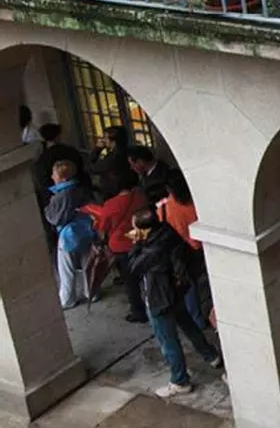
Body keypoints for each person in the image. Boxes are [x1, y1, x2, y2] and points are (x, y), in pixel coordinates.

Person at [127, 209, 222, 398]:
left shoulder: (151, 251)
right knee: (188, 325)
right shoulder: (167, 233)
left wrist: (136, 244)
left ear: (143, 230)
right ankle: (211, 355)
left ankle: (180, 381)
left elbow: (134, 266)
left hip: (159, 298)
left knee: (168, 341)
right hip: (176, 292)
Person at [87, 168, 148, 323]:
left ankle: (138, 310)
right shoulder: (140, 196)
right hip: (140, 238)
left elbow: (103, 227)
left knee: (130, 281)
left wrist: (95, 222)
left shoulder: (111, 205)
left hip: (121, 244)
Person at [158, 170, 208, 330]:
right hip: (203, 247)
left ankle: (197, 320)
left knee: (189, 287)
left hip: (181, 252)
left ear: (168, 188)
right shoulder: (199, 202)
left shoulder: (164, 208)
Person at [32, 123, 88, 252]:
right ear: (58, 136)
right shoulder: (70, 152)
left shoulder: (43, 159)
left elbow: (41, 180)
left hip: (52, 199)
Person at [46, 160, 93, 309]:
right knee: (87, 264)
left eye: (54, 174)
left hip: (68, 235)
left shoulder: (60, 196)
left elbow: (54, 219)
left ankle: (67, 299)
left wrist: (47, 210)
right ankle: (92, 292)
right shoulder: (81, 190)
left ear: (63, 178)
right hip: (86, 230)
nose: (52, 177)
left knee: (66, 269)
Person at [89, 126, 133, 196]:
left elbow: (93, 168)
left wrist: (97, 149)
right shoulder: (128, 152)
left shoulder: (113, 157)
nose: (103, 140)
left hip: (113, 193)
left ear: (113, 140)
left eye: (105, 138)